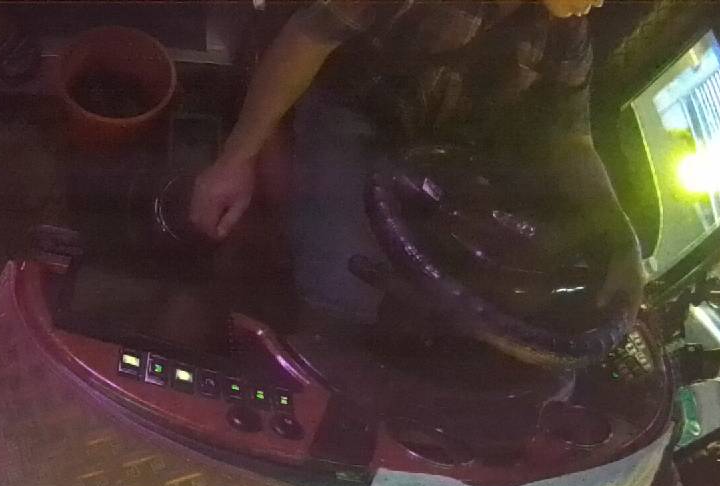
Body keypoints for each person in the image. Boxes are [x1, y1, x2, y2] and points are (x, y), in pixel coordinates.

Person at [190, 0, 642, 329]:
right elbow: (311, 35)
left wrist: (623, 241)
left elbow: (570, 135)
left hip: (442, 160)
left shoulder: (566, 30)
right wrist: (236, 159)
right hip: (354, 116)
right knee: (343, 296)